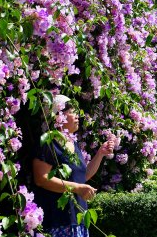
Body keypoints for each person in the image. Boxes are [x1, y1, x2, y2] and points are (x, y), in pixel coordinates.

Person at [33, 95, 115, 237]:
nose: (77, 115)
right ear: (58, 116)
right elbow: (41, 178)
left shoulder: (73, 143)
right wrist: (77, 188)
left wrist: (100, 153)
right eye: (71, 111)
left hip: (78, 221)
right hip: (59, 222)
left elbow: (83, 176)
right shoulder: (49, 142)